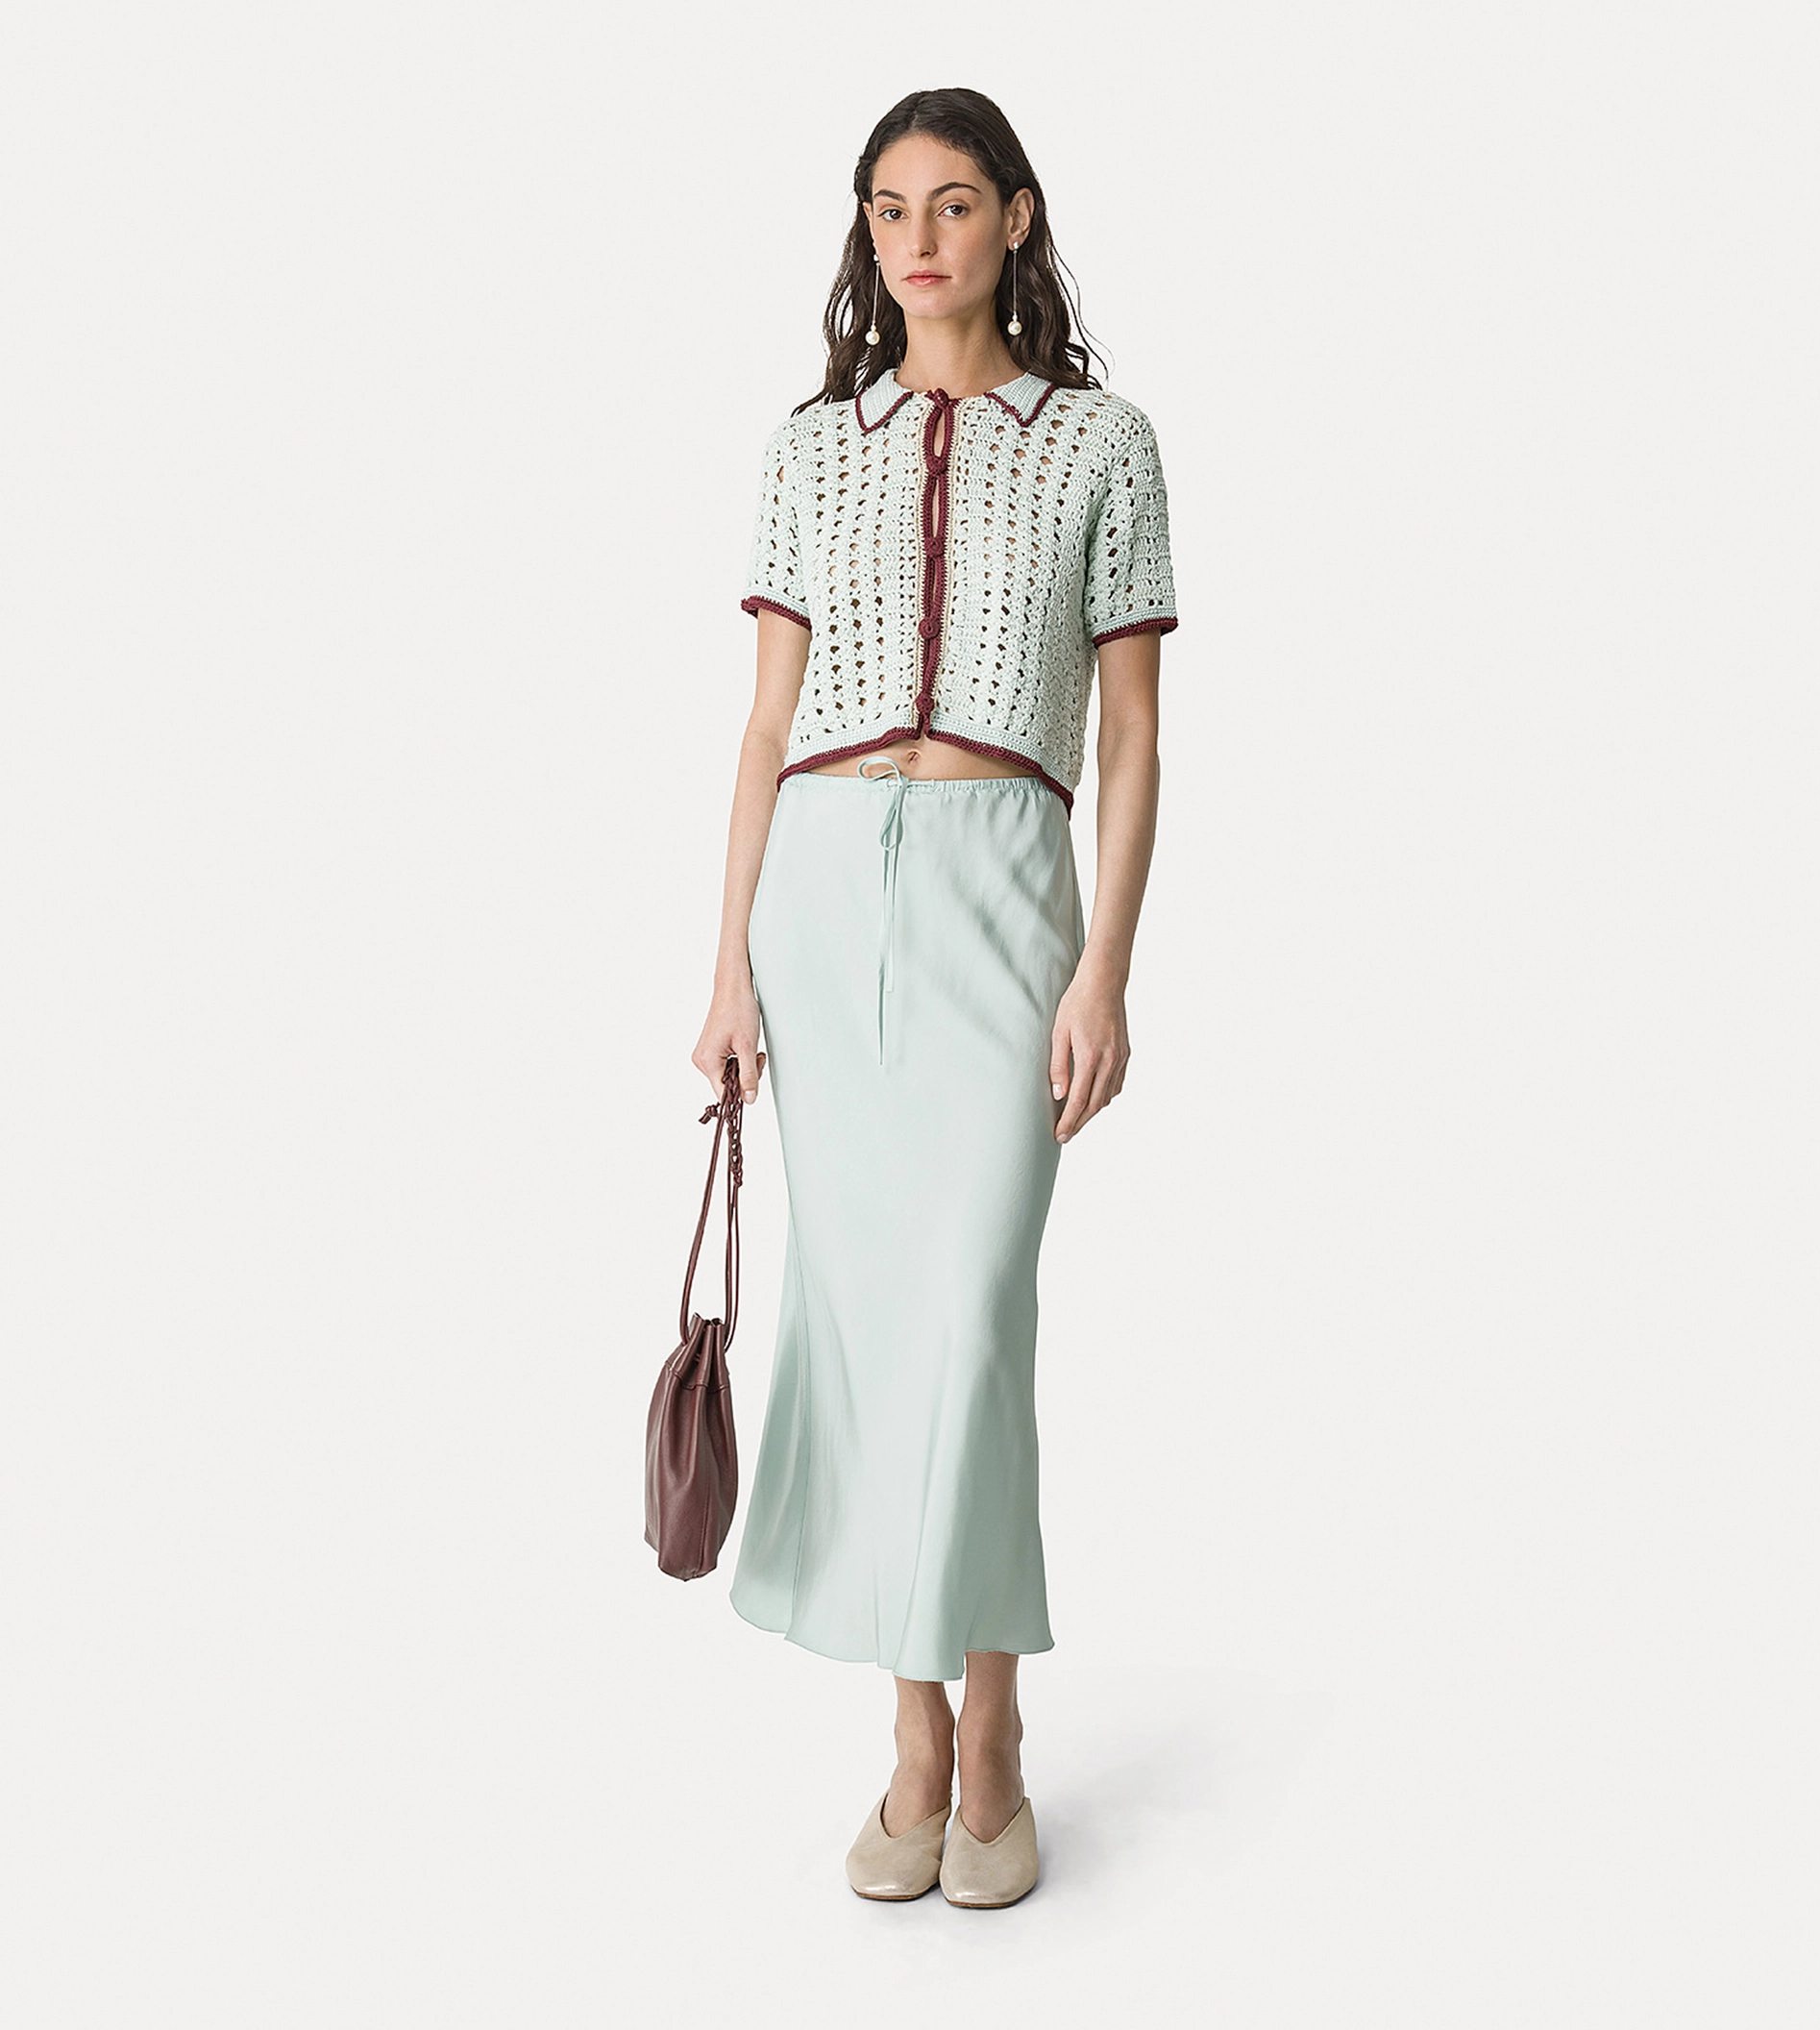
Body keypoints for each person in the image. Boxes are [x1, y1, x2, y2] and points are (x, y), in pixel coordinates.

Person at [691, 87, 1177, 1909]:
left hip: (1002, 885)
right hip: (823, 897)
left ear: (1015, 221)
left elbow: (1130, 736)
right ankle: (919, 1742)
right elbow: (763, 725)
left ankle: (1000, 1733)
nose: (918, 238)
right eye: (890, 207)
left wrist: (1105, 963)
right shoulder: (810, 448)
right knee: (867, 1322)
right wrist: (727, 968)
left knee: (970, 1314)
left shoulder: (1105, 443)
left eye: (954, 203)